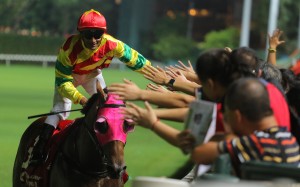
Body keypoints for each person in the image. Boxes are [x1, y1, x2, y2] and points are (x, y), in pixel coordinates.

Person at [30, 9, 151, 165]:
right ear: (80, 33)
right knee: (61, 110)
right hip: (69, 78)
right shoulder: (68, 49)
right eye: (88, 35)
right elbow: (63, 82)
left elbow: (135, 60)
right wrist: (81, 99)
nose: (93, 40)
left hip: (92, 74)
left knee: (107, 107)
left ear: (104, 33)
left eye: (98, 34)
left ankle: (108, 148)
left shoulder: (112, 44)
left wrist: (156, 73)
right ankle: (38, 151)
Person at [186, 78, 300, 174]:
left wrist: (229, 134)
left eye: (226, 117)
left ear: (237, 116)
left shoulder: (253, 143)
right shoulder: (288, 139)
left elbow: (199, 154)